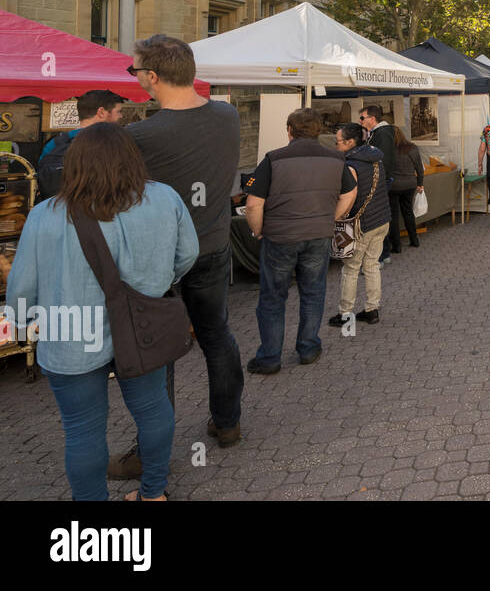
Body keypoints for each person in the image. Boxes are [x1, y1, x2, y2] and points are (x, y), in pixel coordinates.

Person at [7, 123, 198, 500]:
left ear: (73, 165)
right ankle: (154, 493)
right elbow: (188, 255)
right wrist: (155, 285)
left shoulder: (46, 214)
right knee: (153, 409)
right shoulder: (165, 198)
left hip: (69, 333)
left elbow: (22, 287)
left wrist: (23, 322)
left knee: (82, 430)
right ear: (132, 157)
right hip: (143, 326)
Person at [110, 34, 242, 479]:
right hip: (214, 246)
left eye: (136, 72)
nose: (137, 80)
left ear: (151, 76)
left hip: (162, 258)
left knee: (159, 350)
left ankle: (151, 452)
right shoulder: (227, 116)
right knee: (217, 336)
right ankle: (227, 424)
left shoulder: (141, 135)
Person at [244, 108, 357, 374]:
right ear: (319, 130)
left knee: (273, 297)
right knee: (313, 292)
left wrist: (258, 230)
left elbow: (253, 204)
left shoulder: (273, 159)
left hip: (280, 236)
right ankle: (308, 347)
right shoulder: (336, 158)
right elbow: (350, 192)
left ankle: (270, 357)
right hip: (318, 234)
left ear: (289, 130)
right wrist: (330, 218)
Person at [330, 123, 390, 327]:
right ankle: (372, 310)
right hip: (381, 219)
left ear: (350, 142)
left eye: (337, 141)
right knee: (372, 265)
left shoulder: (350, 165)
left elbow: (349, 197)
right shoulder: (375, 158)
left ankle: (346, 315)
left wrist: (335, 219)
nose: (335, 145)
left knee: (351, 269)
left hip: (361, 223)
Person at [36, 90, 125, 200]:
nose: (120, 116)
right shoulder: (110, 144)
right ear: (101, 112)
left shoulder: (54, 143)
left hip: (55, 208)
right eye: (119, 111)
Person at [359, 105, 397, 261]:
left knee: (378, 218)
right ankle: (384, 254)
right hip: (381, 179)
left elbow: (383, 159)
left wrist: (378, 180)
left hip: (380, 181)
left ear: (372, 119)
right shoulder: (377, 133)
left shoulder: (382, 134)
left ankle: (380, 257)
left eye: (362, 118)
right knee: (380, 216)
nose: (360, 121)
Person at [388, 126, 424, 250]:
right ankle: (414, 240)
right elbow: (419, 168)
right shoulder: (412, 148)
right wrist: (420, 183)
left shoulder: (388, 150)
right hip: (410, 185)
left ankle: (396, 246)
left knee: (393, 216)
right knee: (408, 213)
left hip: (394, 186)